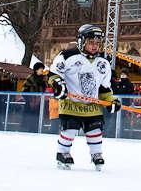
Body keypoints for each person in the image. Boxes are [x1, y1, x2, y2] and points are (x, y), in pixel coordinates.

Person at [48, 24, 121, 170]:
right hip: (71, 103)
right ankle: (63, 153)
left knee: (95, 131)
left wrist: (111, 101)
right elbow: (53, 75)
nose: (95, 46)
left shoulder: (103, 64)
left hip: (92, 106)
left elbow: (104, 89)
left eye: (97, 43)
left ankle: (96, 154)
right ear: (82, 41)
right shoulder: (67, 56)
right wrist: (59, 85)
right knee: (69, 130)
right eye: (91, 43)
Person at [21, 62, 47, 131]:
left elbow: (46, 89)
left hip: (39, 102)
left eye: (42, 69)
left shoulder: (44, 79)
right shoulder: (31, 78)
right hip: (30, 102)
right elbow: (24, 90)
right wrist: (29, 99)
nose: (42, 70)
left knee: (37, 119)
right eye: (41, 68)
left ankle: (37, 130)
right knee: (29, 120)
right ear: (36, 70)